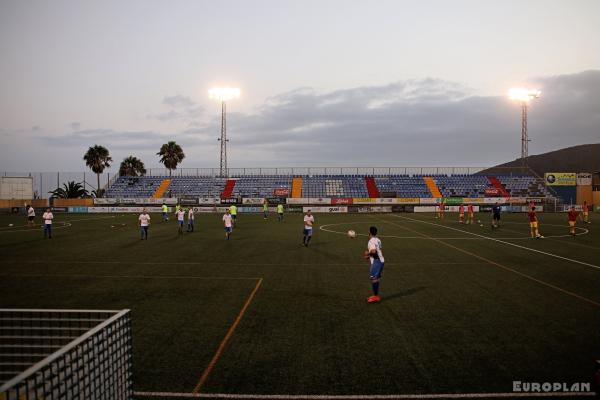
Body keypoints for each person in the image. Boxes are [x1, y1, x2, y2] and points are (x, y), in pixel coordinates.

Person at [364, 226, 385, 304]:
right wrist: (369, 256)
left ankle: (375, 296)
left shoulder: (371, 241)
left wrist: (367, 254)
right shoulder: (378, 240)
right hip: (381, 260)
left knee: (374, 279)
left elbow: (373, 251)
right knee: (376, 278)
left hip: (377, 262)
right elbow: (379, 250)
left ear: (370, 232)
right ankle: (375, 295)